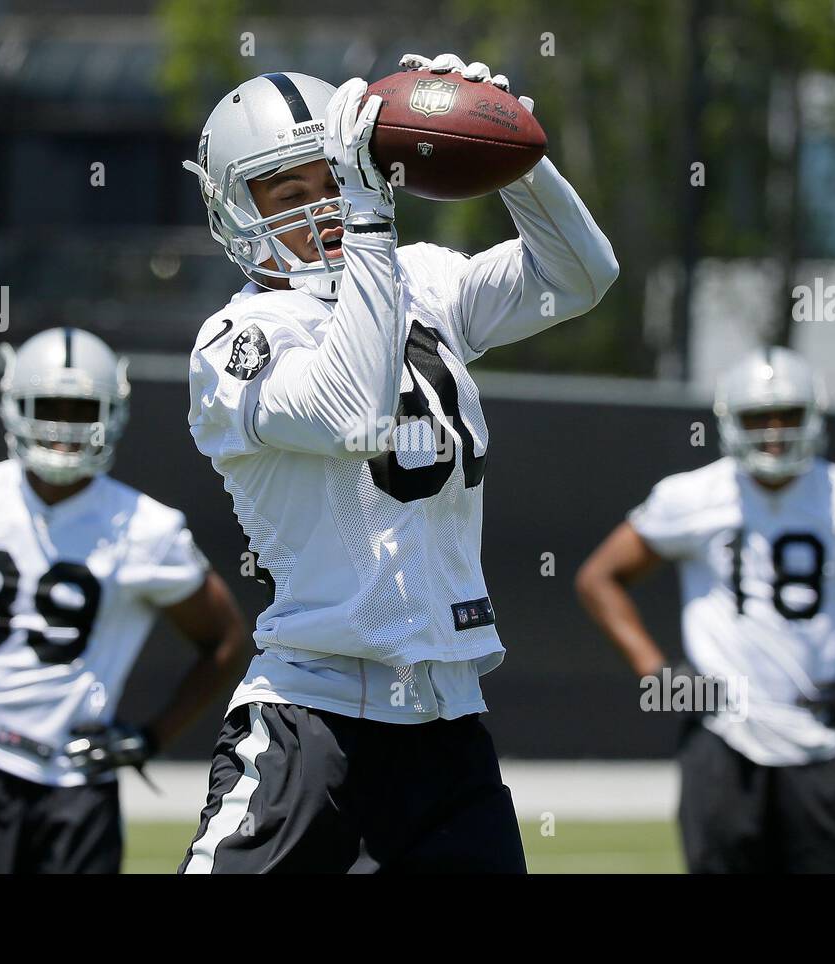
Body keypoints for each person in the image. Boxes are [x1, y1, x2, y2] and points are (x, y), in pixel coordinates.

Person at [180, 53, 619, 872]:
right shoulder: (235, 341)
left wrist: (506, 146)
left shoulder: (422, 281)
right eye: (291, 192)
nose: (325, 207)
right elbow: (353, 409)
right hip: (312, 724)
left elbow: (582, 275)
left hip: (447, 725)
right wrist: (373, 221)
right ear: (234, 211)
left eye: (334, 176)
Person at [0, 327, 248, 873]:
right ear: (15, 405)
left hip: (79, 783)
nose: (63, 427)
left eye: (80, 409)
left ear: (111, 415)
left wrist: (151, 737)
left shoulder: (148, 529)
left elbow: (226, 642)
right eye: (49, 406)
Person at [576, 346, 835, 873]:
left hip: (822, 739)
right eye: (759, 417)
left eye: (788, 416)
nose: (774, 431)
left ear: (813, 417)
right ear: (731, 421)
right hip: (724, 740)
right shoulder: (691, 496)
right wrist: (658, 673)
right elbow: (599, 578)